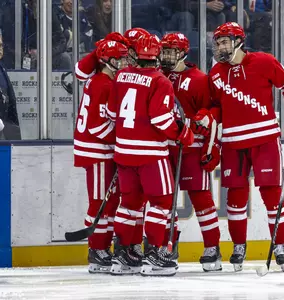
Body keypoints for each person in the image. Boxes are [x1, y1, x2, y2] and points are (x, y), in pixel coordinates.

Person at [192, 22, 284, 271]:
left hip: (265, 139)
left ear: (239, 42)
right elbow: (217, 107)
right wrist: (207, 116)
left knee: (272, 194)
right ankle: (238, 245)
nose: (221, 46)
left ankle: (279, 245)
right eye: (218, 42)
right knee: (234, 198)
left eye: (225, 41)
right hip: (233, 142)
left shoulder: (263, 61)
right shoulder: (215, 74)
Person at [106, 35, 195, 277]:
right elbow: (161, 119)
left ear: (135, 55)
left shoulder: (121, 77)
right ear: (155, 56)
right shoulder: (160, 80)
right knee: (161, 202)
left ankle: (123, 255)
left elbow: (111, 112)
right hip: (150, 154)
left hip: (123, 152)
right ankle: (154, 254)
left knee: (129, 205)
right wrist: (183, 133)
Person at [160, 32, 222, 272]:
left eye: (171, 51)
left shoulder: (198, 79)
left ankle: (212, 247)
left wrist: (211, 145)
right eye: (163, 51)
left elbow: (215, 110)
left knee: (201, 198)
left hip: (192, 147)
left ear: (184, 53)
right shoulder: (157, 75)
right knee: (163, 201)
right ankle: (167, 246)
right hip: (163, 148)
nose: (166, 56)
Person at [73, 39, 129, 274]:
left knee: (109, 203)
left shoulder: (99, 78)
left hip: (99, 150)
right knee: (99, 202)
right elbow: (97, 126)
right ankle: (96, 250)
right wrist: (121, 142)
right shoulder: (103, 83)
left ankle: (103, 247)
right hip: (95, 151)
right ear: (108, 61)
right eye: (121, 58)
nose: (125, 62)